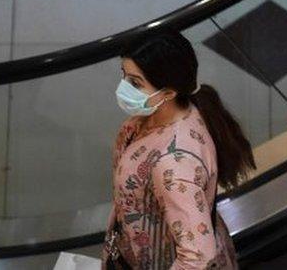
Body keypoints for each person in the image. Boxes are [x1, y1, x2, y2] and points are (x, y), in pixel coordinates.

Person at [102, 30, 256, 269]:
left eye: (135, 83)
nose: (123, 88)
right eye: (124, 76)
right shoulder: (157, 116)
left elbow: (197, 256)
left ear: (169, 92)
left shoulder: (174, 164)